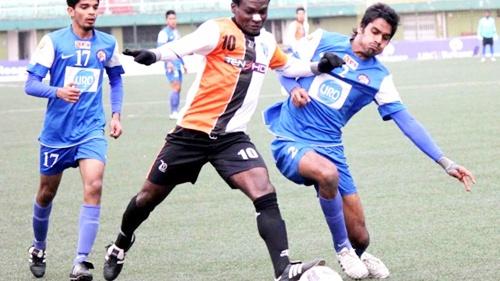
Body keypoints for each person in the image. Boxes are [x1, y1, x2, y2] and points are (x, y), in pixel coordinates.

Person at [102, 0, 344, 280]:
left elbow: (289, 67)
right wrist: (155, 55)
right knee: (147, 198)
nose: (256, 17)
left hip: (231, 139)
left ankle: (284, 269)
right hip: (190, 134)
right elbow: (185, 46)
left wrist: (319, 66)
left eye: (262, 11)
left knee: (264, 192)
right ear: (234, 7)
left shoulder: (266, 43)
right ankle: (120, 245)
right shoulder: (217, 30)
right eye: (249, 11)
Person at [264, 2, 476, 279]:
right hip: (291, 139)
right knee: (327, 174)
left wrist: (445, 162)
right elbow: (283, 66)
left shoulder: (379, 77)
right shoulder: (322, 39)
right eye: (374, 32)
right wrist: (293, 89)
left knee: (361, 236)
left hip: (331, 148)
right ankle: (343, 250)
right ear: (362, 27)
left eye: (385, 37)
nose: (378, 40)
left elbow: (407, 121)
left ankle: (358, 251)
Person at [24, 0, 125, 280]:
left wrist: (116, 115)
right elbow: (31, 84)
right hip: (56, 135)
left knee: (94, 184)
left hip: (91, 130)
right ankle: (38, 247)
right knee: (46, 194)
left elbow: (116, 79)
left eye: (95, 6)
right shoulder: (53, 41)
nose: (91, 11)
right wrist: (58, 92)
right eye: (84, 6)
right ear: (71, 11)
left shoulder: (107, 43)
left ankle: (80, 262)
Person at [157, 9, 185, 119]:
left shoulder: (176, 32)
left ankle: (176, 111)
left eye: (174, 18)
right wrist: (168, 62)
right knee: (175, 87)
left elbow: (180, 50)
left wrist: (183, 63)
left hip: (178, 64)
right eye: (170, 19)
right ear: (166, 20)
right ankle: (173, 112)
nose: (173, 21)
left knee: (179, 88)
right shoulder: (163, 33)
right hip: (171, 65)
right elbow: (161, 49)